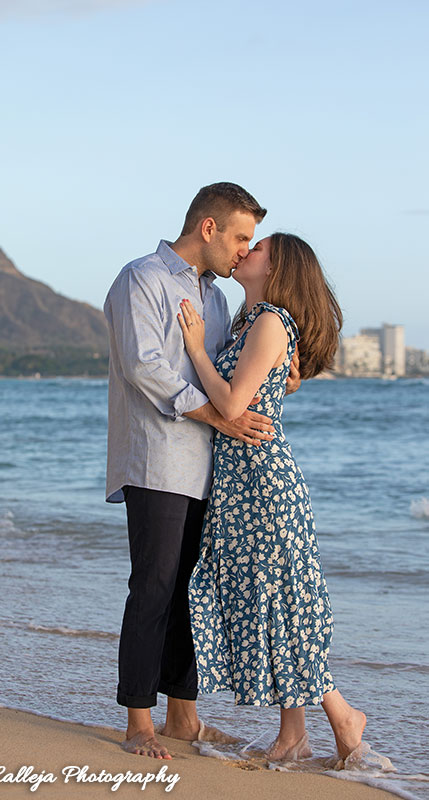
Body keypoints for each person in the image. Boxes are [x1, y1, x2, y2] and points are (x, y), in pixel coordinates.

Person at [104, 183, 301, 759]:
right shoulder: (142, 278)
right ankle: (139, 721)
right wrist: (222, 417)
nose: (245, 249)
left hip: (211, 466)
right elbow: (146, 368)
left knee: (193, 590)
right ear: (209, 228)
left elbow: (231, 368)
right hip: (157, 458)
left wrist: (279, 377)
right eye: (240, 236)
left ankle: (184, 718)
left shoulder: (217, 299)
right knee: (154, 586)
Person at [178, 232, 367, 763]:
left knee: (281, 602)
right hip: (243, 483)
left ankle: (343, 716)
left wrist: (195, 349)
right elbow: (257, 386)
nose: (245, 252)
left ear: (277, 268)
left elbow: (234, 404)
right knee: (275, 603)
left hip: (263, 484)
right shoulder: (251, 322)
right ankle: (293, 736)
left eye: (256, 248)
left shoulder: (269, 321)